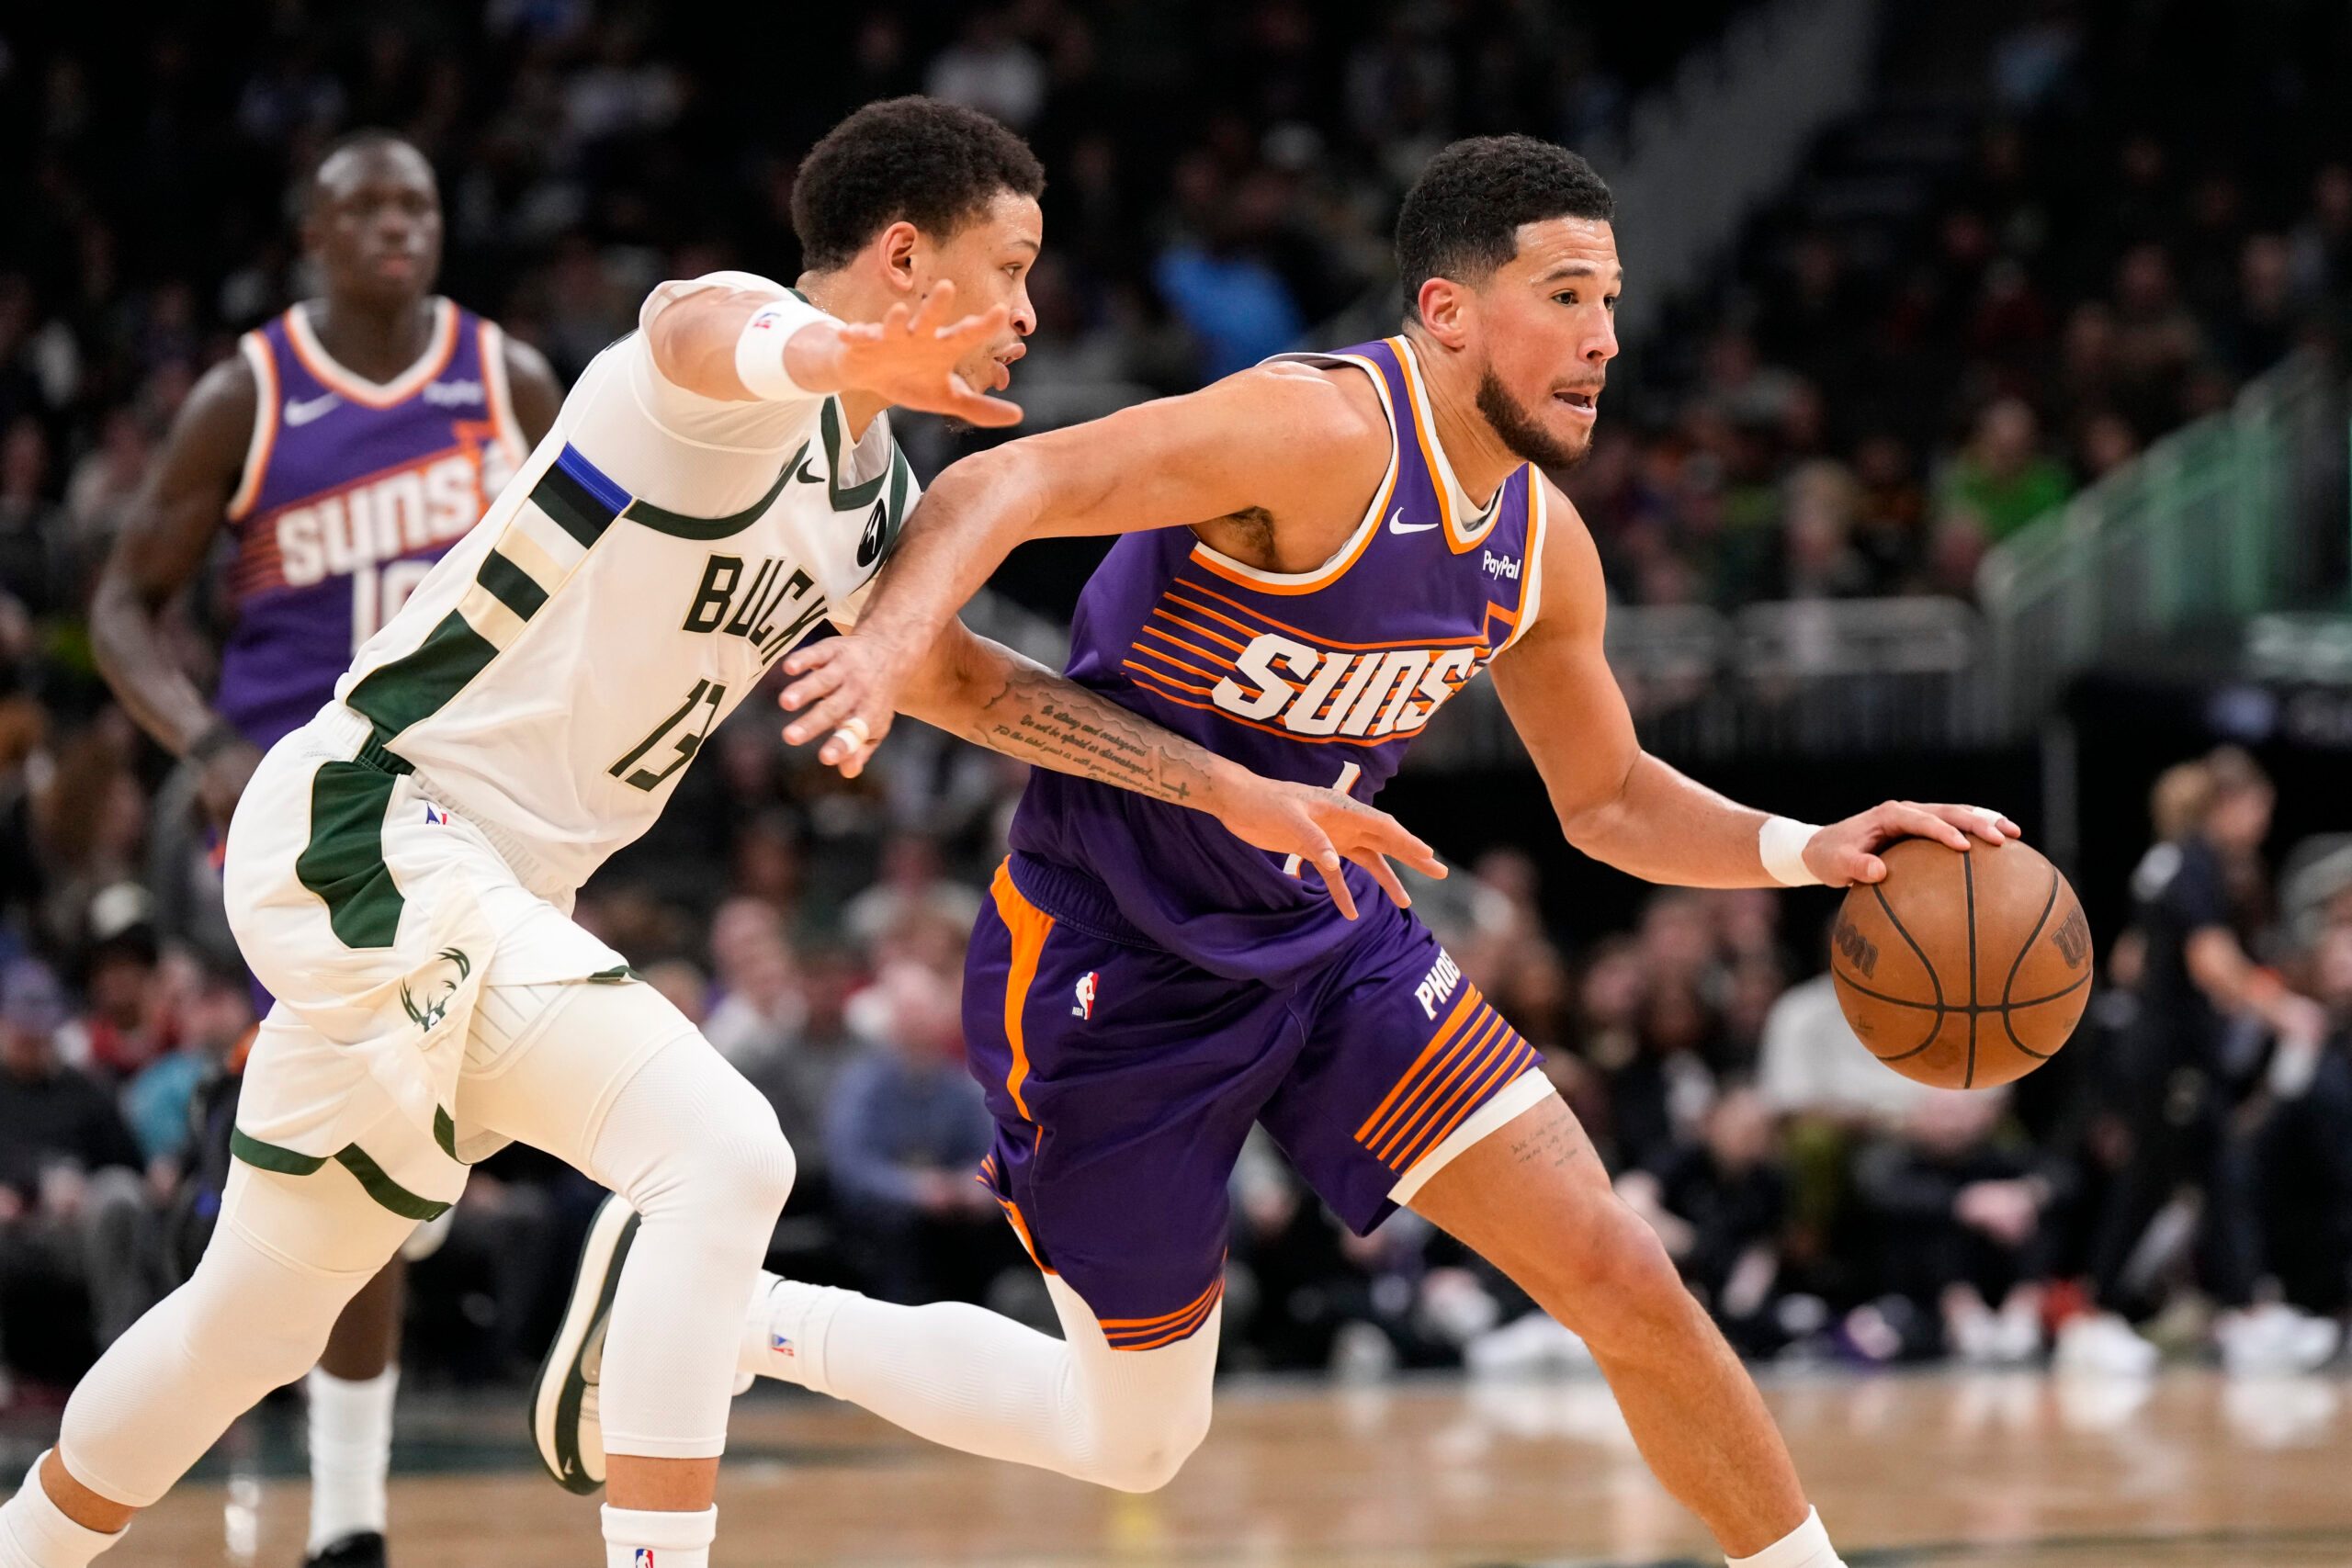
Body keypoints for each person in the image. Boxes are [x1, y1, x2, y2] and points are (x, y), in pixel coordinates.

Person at [545, 133, 2018, 1568]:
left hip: (1335, 946)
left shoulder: (1541, 544)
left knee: (1621, 1272)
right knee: (1134, 1440)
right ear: (1447, 312)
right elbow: (1005, 484)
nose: (1604, 338)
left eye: (1612, 299)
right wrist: (882, 650)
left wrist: (1805, 846)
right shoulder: (1313, 433)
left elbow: (1609, 798)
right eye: (1564, 295)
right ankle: (734, 1317)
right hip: (1116, 955)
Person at [0, 97, 1427, 1568]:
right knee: (724, 1153)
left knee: (255, 1317)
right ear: (898, 256)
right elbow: (698, 326)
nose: (1026, 308)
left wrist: (1231, 788)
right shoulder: (721, 361)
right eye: (1007, 268)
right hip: (375, 819)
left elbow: (970, 686)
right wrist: (843, 353)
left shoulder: (878, 498)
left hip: (499, 889)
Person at [85, 130, 565, 1568]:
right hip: (308, 806)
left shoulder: (509, 382)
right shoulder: (253, 393)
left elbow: (600, 576)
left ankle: (279, 1243)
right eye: (361, 207)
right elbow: (120, 605)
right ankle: (349, 1524)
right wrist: (204, 746)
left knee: (392, 1162)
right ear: (311, 233)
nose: (394, 226)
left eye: (416, 201)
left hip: (477, 792)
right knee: (379, 1149)